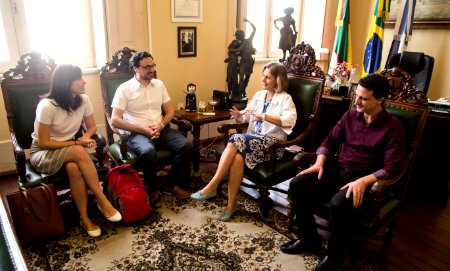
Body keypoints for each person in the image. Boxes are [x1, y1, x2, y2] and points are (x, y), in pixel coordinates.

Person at [281, 73, 407, 271]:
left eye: (364, 98)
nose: (357, 101)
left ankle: (334, 256)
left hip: (366, 181)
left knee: (339, 204)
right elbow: (329, 141)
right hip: (340, 170)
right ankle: (309, 239)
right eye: (357, 95)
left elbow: (393, 166)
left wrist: (365, 181)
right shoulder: (350, 116)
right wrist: (319, 161)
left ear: (381, 100)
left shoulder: (393, 127)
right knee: (297, 184)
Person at [190, 62, 297, 221]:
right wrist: (239, 115)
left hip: (272, 146)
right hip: (254, 142)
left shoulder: (285, 99)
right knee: (238, 158)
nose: (263, 80)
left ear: (278, 80)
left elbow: (289, 121)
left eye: (268, 77)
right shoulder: (259, 95)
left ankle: (212, 186)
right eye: (263, 76)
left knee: (235, 139)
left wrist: (263, 116)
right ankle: (230, 206)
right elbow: (247, 116)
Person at [30, 64, 122, 238]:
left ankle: (84, 217)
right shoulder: (47, 106)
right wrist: (75, 143)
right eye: (79, 78)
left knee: (74, 168)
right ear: (66, 83)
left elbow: (92, 126)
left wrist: (85, 137)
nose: (84, 81)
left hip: (70, 150)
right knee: (79, 152)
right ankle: (101, 199)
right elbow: (43, 143)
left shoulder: (83, 99)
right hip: (44, 153)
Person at [111, 51, 193, 199]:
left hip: (161, 129)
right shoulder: (124, 89)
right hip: (137, 132)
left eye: (153, 65)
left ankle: (171, 184)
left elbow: (170, 112)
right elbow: (115, 120)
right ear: (136, 68)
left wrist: (161, 125)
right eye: (147, 67)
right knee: (147, 151)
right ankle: (153, 188)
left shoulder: (159, 84)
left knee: (186, 146)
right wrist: (142, 129)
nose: (151, 70)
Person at [237, 18, 256, 100]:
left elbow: (254, 29)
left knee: (247, 78)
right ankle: (240, 92)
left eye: (238, 35)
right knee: (241, 77)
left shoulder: (249, 40)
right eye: (236, 35)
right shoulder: (238, 44)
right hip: (243, 62)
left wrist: (249, 21)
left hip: (249, 61)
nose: (237, 37)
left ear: (242, 35)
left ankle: (243, 90)